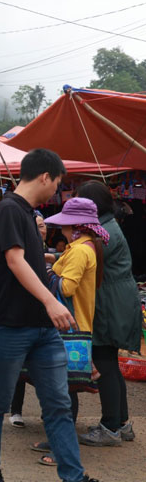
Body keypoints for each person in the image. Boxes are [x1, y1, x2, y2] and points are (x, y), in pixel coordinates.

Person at [0, 148, 101, 482]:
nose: (57, 192)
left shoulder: (29, 215)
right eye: (58, 183)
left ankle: (72, 480)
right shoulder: (7, 210)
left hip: (43, 331)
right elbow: (16, 262)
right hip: (10, 326)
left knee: (59, 404)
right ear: (45, 176)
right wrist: (51, 301)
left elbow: (34, 266)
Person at [32, 197, 109, 466]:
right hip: (75, 324)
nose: (60, 229)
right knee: (62, 388)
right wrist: (55, 260)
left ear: (74, 226)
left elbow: (66, 288)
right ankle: (55, 439)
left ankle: (60, 447)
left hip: (69, 326)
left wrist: (46, 271)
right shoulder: (86, 246)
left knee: (63, 391)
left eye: (65, 225)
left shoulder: (78, 251)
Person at [75, 181, 140, 445]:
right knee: (109, 361)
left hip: (111, 302)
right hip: (117, 298)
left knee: (104, 361)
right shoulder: (107, 225)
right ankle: (121, 423)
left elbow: (85, 259)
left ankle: (110, 427)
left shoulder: (103, 231)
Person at [8, 211, 48, 428]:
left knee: (44, 366)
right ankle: (15, 410)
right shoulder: (20, 251)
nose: (40, 229)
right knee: (19, 365)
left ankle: (46, 412)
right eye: (36, 226)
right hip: (23, 314)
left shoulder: (50, 253)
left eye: (42, 226)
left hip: (45, 317)